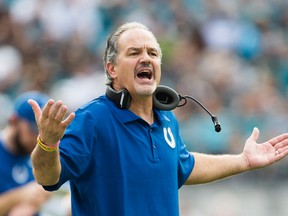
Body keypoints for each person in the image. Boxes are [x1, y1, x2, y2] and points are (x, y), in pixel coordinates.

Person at [28, 22, 288, 216]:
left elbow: (183, 166)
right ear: (112, 69)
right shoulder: (91, 120)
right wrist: (47, 144)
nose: (146, 58)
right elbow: (48, 178)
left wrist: (242, 161)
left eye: (152, 53)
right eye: (134, 53)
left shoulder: (167, 120)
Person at [0, 91, 51, 216]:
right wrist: (21, 196)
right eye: (33, 130)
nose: (38, 139)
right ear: (14, 121)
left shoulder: (34, 151)